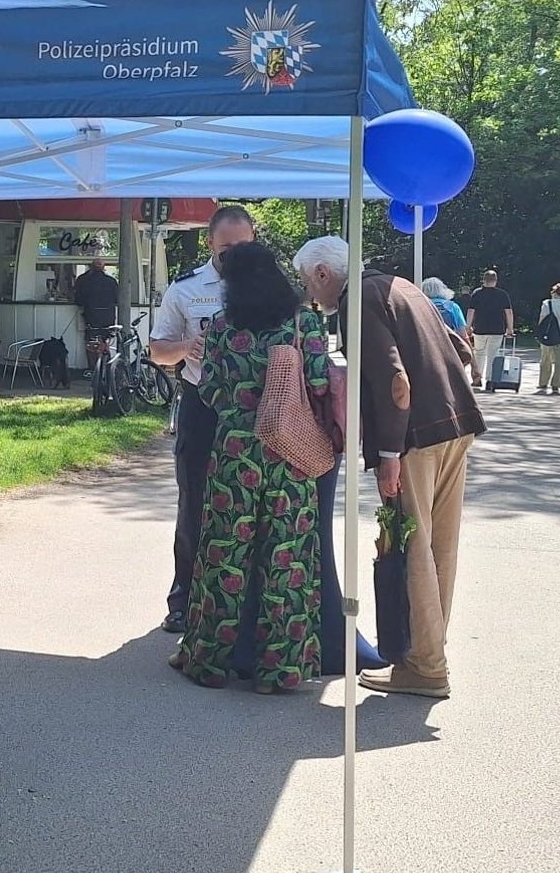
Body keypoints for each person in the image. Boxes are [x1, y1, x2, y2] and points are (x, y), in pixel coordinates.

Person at [297, 236, 485, 700]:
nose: (308, 294)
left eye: (307, 282)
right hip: (456, 424)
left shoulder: (357, 301)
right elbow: (460, 350)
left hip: (414, 439)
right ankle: (428, 657)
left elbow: (396, 382)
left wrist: (387, 455)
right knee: (440, 548)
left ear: (323, 274)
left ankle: (424, 667)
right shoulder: (403, 286)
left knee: (413, 548)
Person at [166, 242, 332, 693]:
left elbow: (209, 388)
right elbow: (319, 381)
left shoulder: (221, 328)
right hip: (289, 456)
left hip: (235, 454)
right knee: (286, 559)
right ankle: (281, 672)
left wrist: (240, 413)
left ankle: (207, 662)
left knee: (224, 558)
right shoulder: (303, 323)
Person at [146, 204, 257, 634]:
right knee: (194, 500)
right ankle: (184, 599)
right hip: (202, 404)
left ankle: (244, 598)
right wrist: (186, 346)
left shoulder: (270, 287)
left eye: (242, 247)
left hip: (253, 410)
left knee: (250, 504)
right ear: (210, 243)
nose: (233, 255)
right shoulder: (186, 289)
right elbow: (158, 350)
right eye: (226, 247)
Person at [465, 270, 515, 391]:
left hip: (480, 329)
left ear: (484, 280)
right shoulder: (502, 294)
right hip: (497, 329)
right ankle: (490, 380)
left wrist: (468, 327)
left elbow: (471, 311)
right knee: (493, 354)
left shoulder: (477, 294)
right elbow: (508, 312)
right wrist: (510, 329)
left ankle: (477, 379)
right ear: (496, 280)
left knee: (479, 353)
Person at [73, 257, 120, 333]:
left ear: (91, 267)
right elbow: (116, 298)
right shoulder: (111, 281)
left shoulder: (83, 279)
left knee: (92, 338)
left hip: (91, 315)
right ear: (103, 268)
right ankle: (104, 344)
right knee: (106, 338)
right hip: (108, 315)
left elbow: (78, 300)